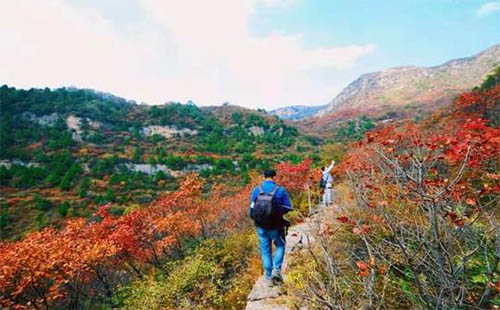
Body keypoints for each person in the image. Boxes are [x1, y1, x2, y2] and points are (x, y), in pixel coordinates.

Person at [249, 169, 292, 286]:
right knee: (280, 245)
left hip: (261, 226)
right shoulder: (280, 191)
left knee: (265, 250)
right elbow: (288, 207)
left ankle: (268, 276)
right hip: (276, 226)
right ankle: (276, 270)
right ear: (274, 177)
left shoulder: (256, 190)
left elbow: (252, 209)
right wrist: (278, 212)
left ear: (263, 177)